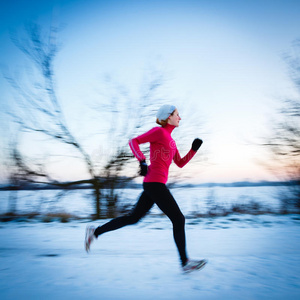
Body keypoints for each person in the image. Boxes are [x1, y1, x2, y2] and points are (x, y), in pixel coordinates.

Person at [85, 104, 206, 273]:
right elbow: (133, 142)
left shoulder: (171, 141)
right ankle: (185, 262)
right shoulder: (159, 132)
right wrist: (141, 160)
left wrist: (193, 150)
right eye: (177, 114)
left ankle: (95, 232)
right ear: (168, 117)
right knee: (178, 219)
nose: (180, 117)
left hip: (154, 184)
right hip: (154, 183)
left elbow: (179, 163)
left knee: (133, 218)